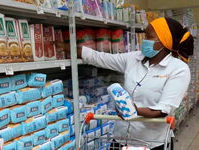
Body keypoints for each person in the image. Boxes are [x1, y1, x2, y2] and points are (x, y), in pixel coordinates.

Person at [78, 17, 194, 150]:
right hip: (121, 139)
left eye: (149, 37)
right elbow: (101, 58)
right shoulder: (134, 58)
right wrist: (70, 48)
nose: (144, 41)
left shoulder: (178, 69)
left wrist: (131, 110)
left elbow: (162, 109)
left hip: (152, 143)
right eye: (144, 35)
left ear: (163, 42)